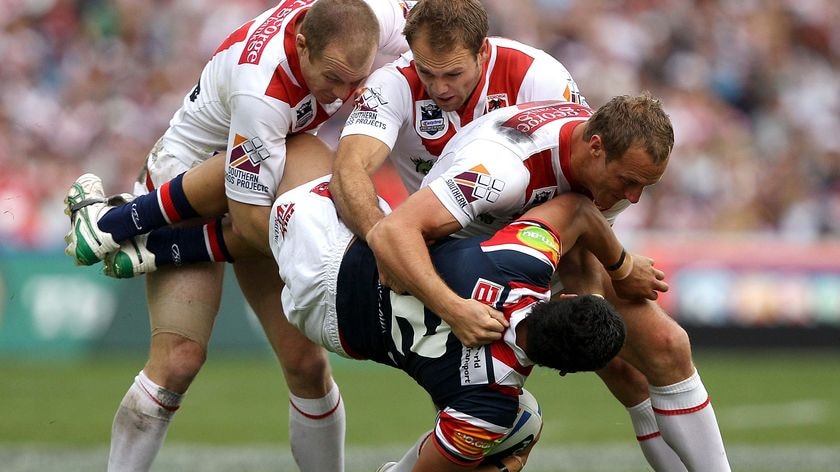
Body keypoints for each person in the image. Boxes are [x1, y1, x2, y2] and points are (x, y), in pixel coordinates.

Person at [329, 1, 724, 469]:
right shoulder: (396, 89)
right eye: (425, 72)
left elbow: (581, 207)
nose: (437, 88)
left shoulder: (541, 79)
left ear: (482, 51)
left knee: (656, 350)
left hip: (532, 246)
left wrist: (605, 282)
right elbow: (349, 173)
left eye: (451, 73)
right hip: (450, 258)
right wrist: (389, 248)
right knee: (493, 419)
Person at [62, 1, 411, 471]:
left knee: (307, 366)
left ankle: (132, 234)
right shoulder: (261, 91)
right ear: (302, 43)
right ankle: (134, 231)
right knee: (177, 362)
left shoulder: (376, 18)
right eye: (334, 78)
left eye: (356, 79)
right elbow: (251, 227)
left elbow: (436, 24)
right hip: (188, 178)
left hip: (266, 163)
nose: (344, 93)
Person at [268, 174, 649, 472]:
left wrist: (621, 269)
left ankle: (210, 241)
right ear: (565, 370)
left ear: (564, 297)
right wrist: (509, 464)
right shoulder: (491, 405)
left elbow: (580, 210)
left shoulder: (524, 259)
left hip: (333, 242)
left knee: (297, 158)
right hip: (326, 324)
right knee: (525, 425)